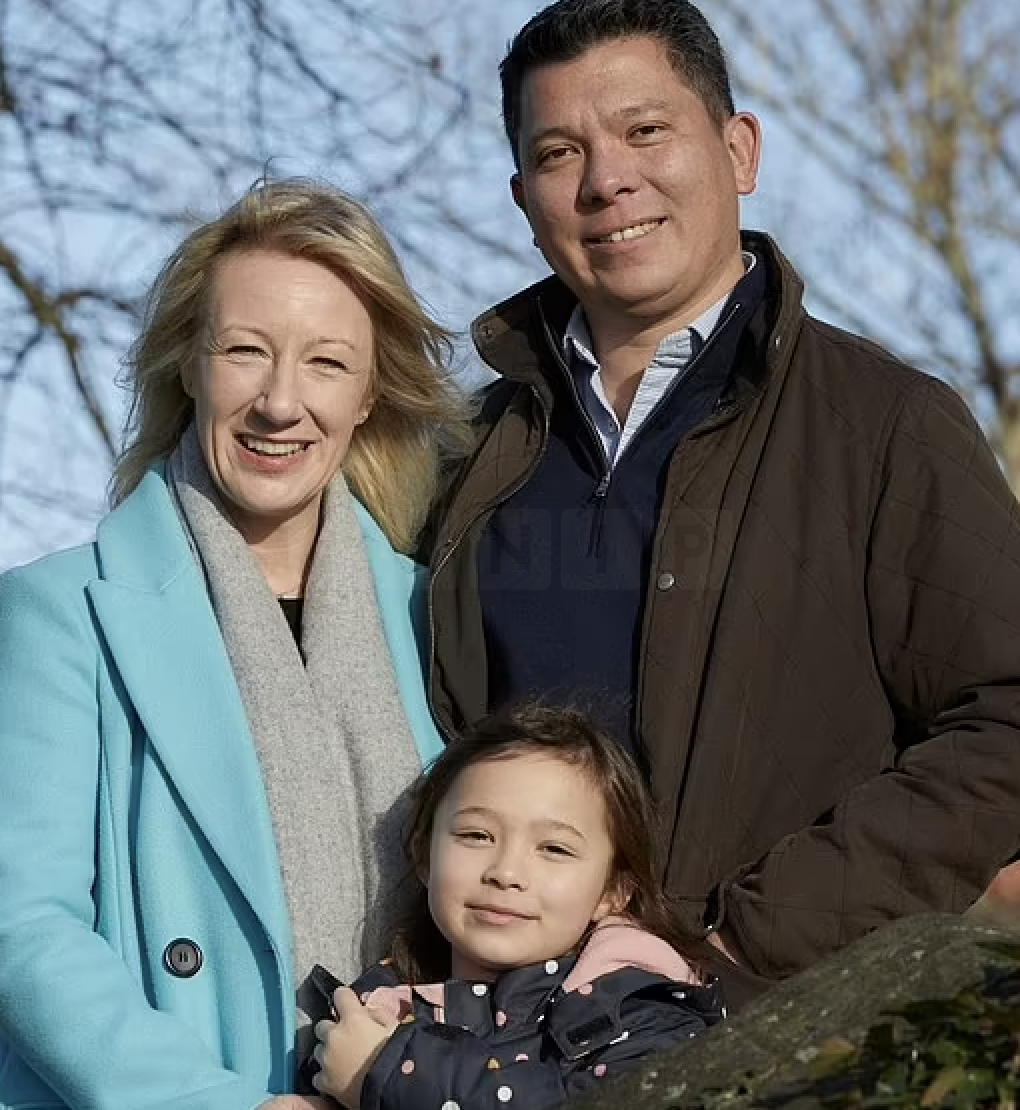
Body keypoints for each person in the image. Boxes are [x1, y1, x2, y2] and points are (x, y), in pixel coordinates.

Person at [426, 0, 1020, 1005]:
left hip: (774, 1030)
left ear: (739, 150)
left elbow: (1006, 719)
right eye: (561, 152)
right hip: (497, 1039)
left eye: (646, 130)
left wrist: (739, 948)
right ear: (524, 197)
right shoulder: (466, 454)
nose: (608, 180)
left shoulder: (885, 423)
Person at [0, 180, 469, 1110]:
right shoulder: (58, 613)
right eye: (245, 351)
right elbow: (22, 923)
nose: (280, 403)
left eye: (327, 363)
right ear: (188, 364)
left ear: (371, 393)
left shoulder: (435, 613)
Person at [309, 704, 722, 1110]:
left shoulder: (644, 1014)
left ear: (613, 891)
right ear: (424, 857)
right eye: (476, 835)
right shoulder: (380, 1007)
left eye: (554, 849)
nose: (506, 873)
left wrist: (387, 1073)